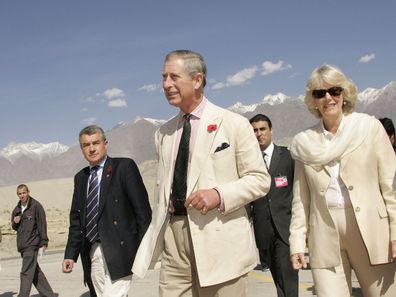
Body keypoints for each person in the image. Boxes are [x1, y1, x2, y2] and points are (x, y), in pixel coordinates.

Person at [132, 49, 270, 297]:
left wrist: (219, 194)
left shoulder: (233, 124)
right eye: (164, 77)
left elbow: (260, 180)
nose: (166, 84)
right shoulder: (162, 134)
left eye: (174, 77)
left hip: (219, 237)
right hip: (174, 240)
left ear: (197, 80)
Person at [289, 64, 396, 296]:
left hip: (371, 229)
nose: (328, 97)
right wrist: (297, 241)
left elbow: (391, 187)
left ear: (344, 93)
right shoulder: (304, 143)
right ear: (313, 100)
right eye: (319, 93)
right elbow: (300, 200)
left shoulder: (369, 128)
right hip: (323, 235)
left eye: (334, 91)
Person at [62, 125, 152, 297]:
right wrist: (70, 254)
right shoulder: (80, 178)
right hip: (92, 252)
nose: (92, 148)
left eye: (95, 143)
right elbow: (76, 220)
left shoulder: (124, 167)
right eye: (86, 145)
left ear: (105, 143)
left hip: (121, 250)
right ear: (81, 149)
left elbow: (143, 211)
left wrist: (143, 248)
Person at [249, 114, 298, 297]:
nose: (259, 134)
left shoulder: (288, 156)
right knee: (278, 278)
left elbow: (299, 191)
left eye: (262, 129)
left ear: (271, 130)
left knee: (288, 278)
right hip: (263, 230)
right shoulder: (248, 161)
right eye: (254, 130)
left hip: (285, 229)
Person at [11, 184, 56, 297]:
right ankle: (49, 295)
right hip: (22, 245)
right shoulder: (17, 209)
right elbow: (14, 227)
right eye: (20, 194)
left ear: (28, 192)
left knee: (26, 272)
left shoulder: (36, 206)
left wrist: (44, 242)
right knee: (34, 272)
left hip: (32, 244)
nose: (22, 196)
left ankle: (23, 295)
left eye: (24, 193)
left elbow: (42, 225)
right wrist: (15, 222)